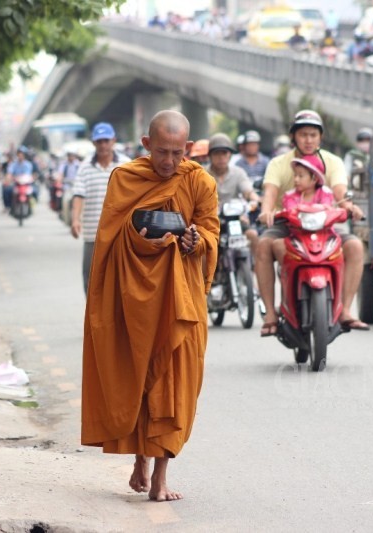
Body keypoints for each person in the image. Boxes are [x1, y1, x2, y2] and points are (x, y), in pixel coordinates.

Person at [81, 110, 220, 502]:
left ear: (188, 148)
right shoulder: (125, 179)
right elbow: (109, 240)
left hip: (180, 300)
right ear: (146, 145)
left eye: (178, 153)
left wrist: (196, 241)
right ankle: (139, 459)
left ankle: (160, 476)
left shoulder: (200, 182)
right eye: (161, 152)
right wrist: (138, 237)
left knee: (174, 383)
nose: (169, 162)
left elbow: (210, 232)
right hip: (133, 297)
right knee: (137, 376)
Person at [256, 109, 367, 336]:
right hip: (287, 224)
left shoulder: (333, 162)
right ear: (293, 137)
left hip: (323, 224)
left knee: (355, 246)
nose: (308, 140)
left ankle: (345, 310)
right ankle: (271, 313)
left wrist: (349, 207)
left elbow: (340, 194)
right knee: (264, 245)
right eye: (303, 135)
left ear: (320, 137)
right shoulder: (279, 163)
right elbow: (270, 193)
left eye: (313, 135)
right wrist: (266, 212)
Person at [70, 122, 131, 294]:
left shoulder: (126, 165)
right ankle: (93, 311)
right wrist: (75, 220)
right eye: (99, 141)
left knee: (121, 278)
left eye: (106, 141)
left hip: (120, 233)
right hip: (93, 233)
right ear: (93, 143)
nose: (103, 145)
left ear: (113, 141)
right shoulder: (85, 167)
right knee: (90, 279)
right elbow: (78, 194)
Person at [204, 133, 260, 254]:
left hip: (235, 219)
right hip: (210, 220)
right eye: (217, 153)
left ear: (230, 155)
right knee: (204, 242)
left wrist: (255, 199)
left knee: (253, 235)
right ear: (210, 155)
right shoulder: (202, 174)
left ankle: (254, 265)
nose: (221, 157)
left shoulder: (238, 172)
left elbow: (247, 190)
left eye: (224, 153)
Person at [5, 146, 34, 212]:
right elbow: (9, 173)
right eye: (19, 154)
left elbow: (28, 174)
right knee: (7, 190)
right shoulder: (13, 164)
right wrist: (9, 178)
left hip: (25, 184)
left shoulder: (28, 164)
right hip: (16, 183)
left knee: (34, 192)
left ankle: (31, 207)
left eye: (22, 154)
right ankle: (8, 206)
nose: (20, 156)